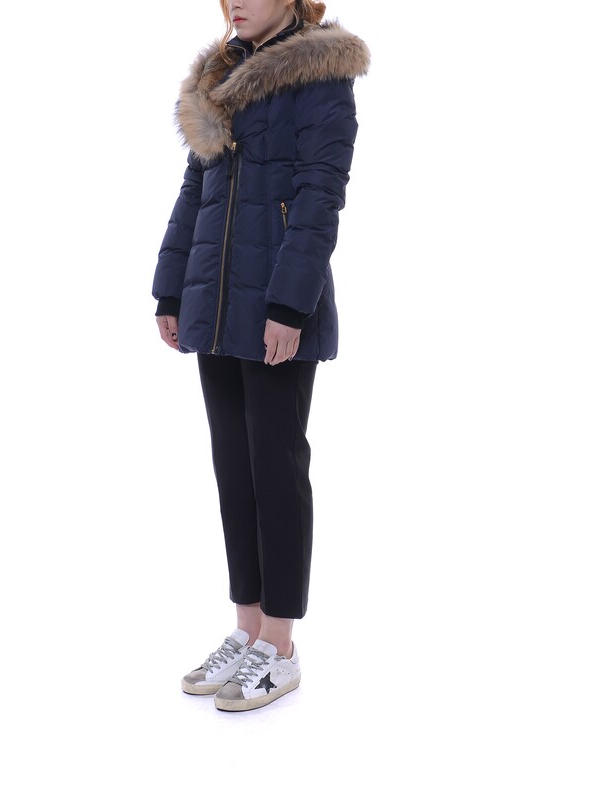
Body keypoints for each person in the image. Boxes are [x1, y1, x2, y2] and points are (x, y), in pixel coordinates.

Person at [152, 0, 369, 712]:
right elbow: (196, 189)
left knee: (276, 470)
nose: (235, 3)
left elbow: (319, 196)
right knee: (234, 468)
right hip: (213, 301)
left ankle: (280, 645)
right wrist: (171, 288)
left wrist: (289, 306)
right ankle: (246, 629)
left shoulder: (319, 75)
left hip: (277, 305)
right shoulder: (221, 74)